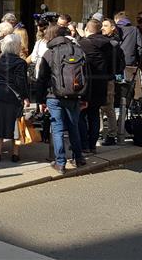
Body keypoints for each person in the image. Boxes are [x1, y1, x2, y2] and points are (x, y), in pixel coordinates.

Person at [36, 25, 86, 175]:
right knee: (73, 127)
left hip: (54, 96)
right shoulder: (78, 50)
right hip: (74, 95)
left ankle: (60, 163)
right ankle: (79, 158)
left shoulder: (48, 53)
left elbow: (41, 79)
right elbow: (86, 75)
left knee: (57, 129)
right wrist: (84, 96)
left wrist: (40, 100)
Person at [0, 34, 30, 162]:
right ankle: (15, 153)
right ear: (16, 46)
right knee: (16, 125)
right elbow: (21, 82)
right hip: (14, 96)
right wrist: (25, 97)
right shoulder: (20, 63)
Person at [78, 19, 114, 153]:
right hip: (102, 83)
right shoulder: (109, 44)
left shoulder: (83, 44)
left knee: (81, 114)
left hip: (86, 83)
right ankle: (92, 145)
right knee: (94, 114)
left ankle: (84, 144)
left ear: (87, 29)